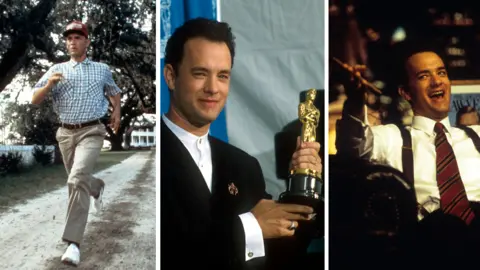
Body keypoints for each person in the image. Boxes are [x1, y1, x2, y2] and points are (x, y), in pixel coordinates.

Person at [161, 18, 323, 269]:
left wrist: (303, 185)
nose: (213, 88)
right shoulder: (150, 157)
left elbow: (278, 255)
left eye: (222, 76)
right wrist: (249, 226)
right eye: (200, 74)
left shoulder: (243, 166)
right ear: (171, 76)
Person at [335, 41, 480, 267]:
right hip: (436, 242)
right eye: (424, 76)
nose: (437, 81)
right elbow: (352, 146)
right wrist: (355, 101)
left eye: (441, 72)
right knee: (446, 226)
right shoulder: (393, 138)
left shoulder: (475, 136)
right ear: (405, 92)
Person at [31, 20, 122, 266]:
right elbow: (34, 99)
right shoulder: (56, 69)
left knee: (75, 178)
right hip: (65, 134)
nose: (72, 41)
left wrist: (117, 111)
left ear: (87, 42)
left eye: (78, 37)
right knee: (79, 179)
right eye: (69, 38)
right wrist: (50, 84)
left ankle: (73, 244)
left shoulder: (101, 69)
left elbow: (114, 91)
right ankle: (96, 187)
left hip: (92, 130)